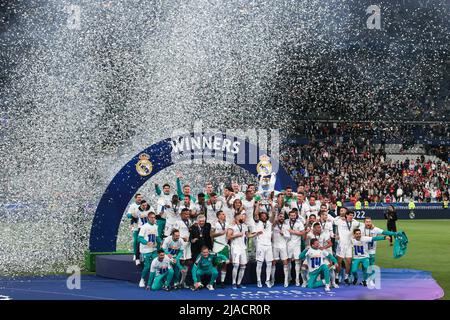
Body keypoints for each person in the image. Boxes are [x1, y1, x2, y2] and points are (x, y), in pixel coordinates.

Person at [227, 211, 257, 289]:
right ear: (236, 217)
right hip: (235, 247)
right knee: (236, 265)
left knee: (243, 265)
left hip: (243, 247)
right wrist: (236, 235)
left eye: (243, 216)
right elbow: (228, 237)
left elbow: (248, 235)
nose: (243, 217)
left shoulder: (244, 226)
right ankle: (233, 283)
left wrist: (256, 234)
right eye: (241, 216)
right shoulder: (232, 226)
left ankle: (239, 283)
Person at [334, 211, 361, 285]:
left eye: (352, 215)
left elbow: (360, 224)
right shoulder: (339, 221)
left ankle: (346, 277)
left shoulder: (354, 222)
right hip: (341, 245)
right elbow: (332, 221)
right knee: (339, 262)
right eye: (350, 215)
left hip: (349, 245)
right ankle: (336, 277)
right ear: (346, 215)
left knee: (349, 262)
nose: (351, 217)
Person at [138, 212, 160, 288]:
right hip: (145, 250)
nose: (153, 219)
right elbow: (139, 238)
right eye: (152, 217)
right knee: (147, 266)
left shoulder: (156, 226)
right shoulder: (144, 227)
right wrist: (147, 243)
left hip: (153, 249)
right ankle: (142, 279)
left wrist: (161, 242)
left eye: (154, 217)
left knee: (156, 264)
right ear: (148, 218)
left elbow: (157, 237)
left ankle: (155, 280)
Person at [173, 208, 193, 288]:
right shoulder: (177, 222)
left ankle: (183, 282)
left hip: (188, 246)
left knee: (186, 263)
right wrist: (181, 238)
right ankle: (176, 281)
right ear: (181, 214)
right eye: (185, 214)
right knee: (179, 263)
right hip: (180, 245)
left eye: (188, 214)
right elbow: (173, 233)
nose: (187, 215)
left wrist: (190, 239)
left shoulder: (190, 222)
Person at [285, 210, 306, 286]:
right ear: (289, 215)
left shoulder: (299, 222)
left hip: (297, 244)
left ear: (296, 215)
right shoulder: (285, 222)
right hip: (288, 244)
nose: (293, 217)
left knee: (297, 261)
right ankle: (289, 278)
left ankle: (297, 279)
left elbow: (303, 233)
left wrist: (292, 231)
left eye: (294, 215)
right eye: (291, 215)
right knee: (288, 261)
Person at [210, 210, 230, 288]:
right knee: (216, 264)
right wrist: (219, 233)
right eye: (222, 214)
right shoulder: (214, 224)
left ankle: (222, 282)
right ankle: (214, 282)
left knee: (224, 264)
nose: (224, 215)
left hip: (224, 245)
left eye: (224, 214)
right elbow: (211, 235)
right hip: (217, 245)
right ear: (218, 216)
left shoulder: (227, 224)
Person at [270, 211, 290, 287]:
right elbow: (269, 232)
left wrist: (283, 234)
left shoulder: (286, 226)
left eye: (283, 217)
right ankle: (272, 280)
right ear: (277, 217)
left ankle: (286, 280)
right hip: (275, 246)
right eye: (280, 217)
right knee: (273, 263)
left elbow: (288, 237)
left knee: (285, 263)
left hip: (283, 246)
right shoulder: (273, 225)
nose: (282, 218)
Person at [254, 211, 273, 288]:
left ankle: (267, 280)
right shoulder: (257, 223)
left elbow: (274, 214)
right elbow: (255, 214)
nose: (264, 217)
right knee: (259, 263)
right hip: (260, 245)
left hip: (269, 245)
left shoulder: (269, 222)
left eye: (265, 216)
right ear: (260, 217)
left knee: (269, 263)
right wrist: (258, 204)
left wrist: (272, 205)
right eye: (262, 216)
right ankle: (258, 280)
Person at [126, 193, 142, 263]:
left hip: (142, 225)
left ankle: (141, 254)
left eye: (140, 197)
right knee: (136, 240)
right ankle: (136, 254)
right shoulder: (132, 206)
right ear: (135, 198)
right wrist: (132, 216)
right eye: (138, 197)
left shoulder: (144, 205)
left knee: (141, 240)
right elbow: (128, 214)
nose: (140, 198)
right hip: (136, 225)